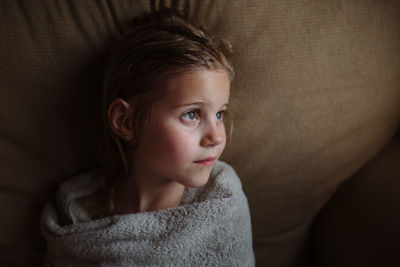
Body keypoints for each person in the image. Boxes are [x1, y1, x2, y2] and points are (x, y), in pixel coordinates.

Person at [41, 8, 254, 266]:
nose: (216, 137)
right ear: (125, 121)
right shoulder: (78, 209)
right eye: (192, 114)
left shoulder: (222, 200)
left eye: (220, 114)